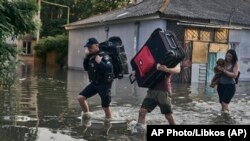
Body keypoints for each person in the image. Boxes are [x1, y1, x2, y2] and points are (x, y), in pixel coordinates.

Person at [78, 37, 114, 127]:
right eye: (88, 47)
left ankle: (108, 125)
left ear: (97, 45)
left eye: (90, 46)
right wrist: (86, 57)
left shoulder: (104, 55)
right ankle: (87, 115)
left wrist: (100, 62)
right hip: (94, 84)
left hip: (104, 85)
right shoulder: (91, 57)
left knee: (105, 107)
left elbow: (110, 69)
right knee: (80, 98)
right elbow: (86, 68)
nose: (89, 48)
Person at [134, 63, 181, 132]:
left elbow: (177, 69)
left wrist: (167, 69)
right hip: (151, 90)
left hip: (164, 91)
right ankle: (140, 134)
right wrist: (137, 74)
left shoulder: (172, 57)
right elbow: (144, 67)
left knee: (168, 115)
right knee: (142, 112)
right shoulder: (153, 56)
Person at [216, 49, 239, 114]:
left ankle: (227, 118)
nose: (228, 58)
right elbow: (216, 72)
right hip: (220, 85)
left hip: (230, 86)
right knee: (222, 104)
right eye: (227, 56)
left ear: (233, 57)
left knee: (224, 103)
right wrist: (218, 69)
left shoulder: (235, 64)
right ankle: (223, 119)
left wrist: (224, 71)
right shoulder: (223, 62)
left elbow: (235, 75)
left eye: (230, 56)